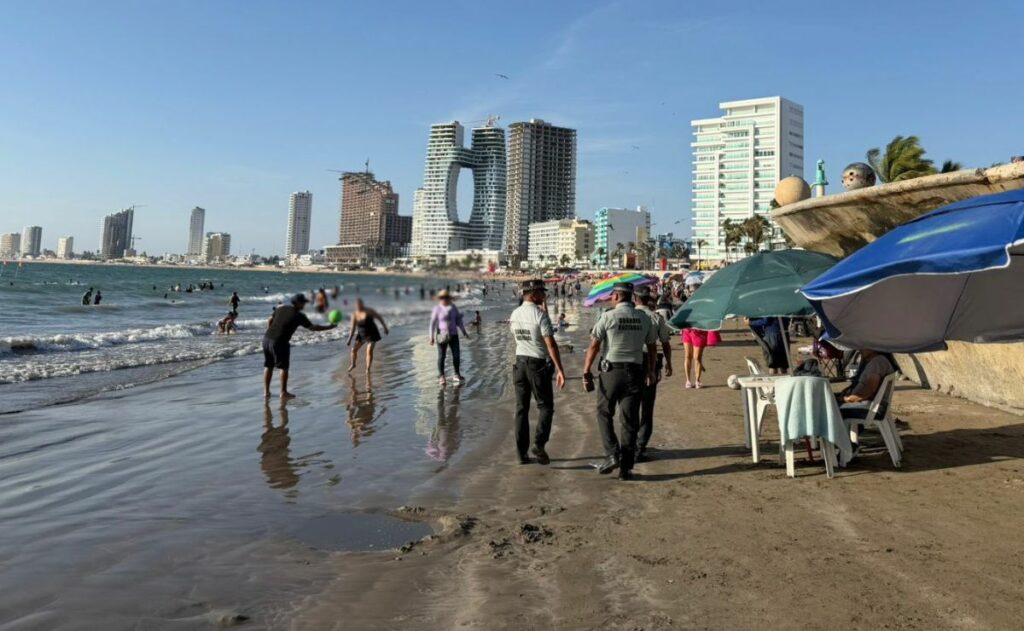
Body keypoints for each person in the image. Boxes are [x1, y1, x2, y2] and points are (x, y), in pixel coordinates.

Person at [582, 282, 657, 480]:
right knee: (629, 420)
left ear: (616, 296)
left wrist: (586, 371)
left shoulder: (608, 316)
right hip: (636, 372)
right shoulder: (643, 317)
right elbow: (651, 347)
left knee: (604, 413)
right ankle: (626, 468)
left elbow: (594, 346)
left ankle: (612, 453)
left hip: (612, 372)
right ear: (631, 297)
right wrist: (651, 370)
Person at [509, 279, 567, 465]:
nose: (545, 295)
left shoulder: (515, 313)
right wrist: (560, 369)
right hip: (537, 364)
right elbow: (550, 343)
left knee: (521, 409)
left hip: (519, 364)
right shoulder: (539, 315)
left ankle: (520, 454)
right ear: (533, 294)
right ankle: (539, 444)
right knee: (545, 406)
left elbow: (516, 336)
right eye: (542, 292)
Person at [262, 294, 336, 399]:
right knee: (283, 367)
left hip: (266, 338)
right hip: (280, 341)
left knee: (268, 365)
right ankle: (283, 392)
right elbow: (313, 328)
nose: (304, 304)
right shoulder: (299, 316)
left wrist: (270, 331)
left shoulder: (281, 308)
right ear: (298, 303)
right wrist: (329, 327)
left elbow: (269, 319)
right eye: (303, 302)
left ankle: (266, 392)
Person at [635, 285, 673, 461]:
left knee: (631, 405)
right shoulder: (656, 318)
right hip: (652, 363)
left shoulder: (630, 316)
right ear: (649, 300)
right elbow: (665, 342)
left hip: (632, 363)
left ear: (635, 299)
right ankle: (640, 445)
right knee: (647, 406)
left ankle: (631, 442)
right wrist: (669, 363)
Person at [429, 289, 469, 387]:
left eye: (446, 297)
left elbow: (458, 320)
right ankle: (442, 376)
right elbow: (432, 324)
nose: (444, 299)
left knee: (456, 355)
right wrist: (431, 337)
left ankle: (456, 374)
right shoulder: (437, 309)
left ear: (449, 298)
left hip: (454, 335)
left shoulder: (453, 307)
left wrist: (464, 331)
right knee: (442, 356)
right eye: (442, 298)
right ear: (440, 299)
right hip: (441, 335)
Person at [346, 298, 389, 373]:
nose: (358, 306)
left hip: (372, 334)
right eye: (357, 305)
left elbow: (379, 317)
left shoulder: (369, 311)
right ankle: (353, 364)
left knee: (369, 351)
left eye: (360, 304)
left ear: (362, 304)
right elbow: (352, 327)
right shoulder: (355, 314)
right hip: (361, 334)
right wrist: (349, 339)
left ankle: (368, 369)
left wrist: (385, 327)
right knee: (353, 350)